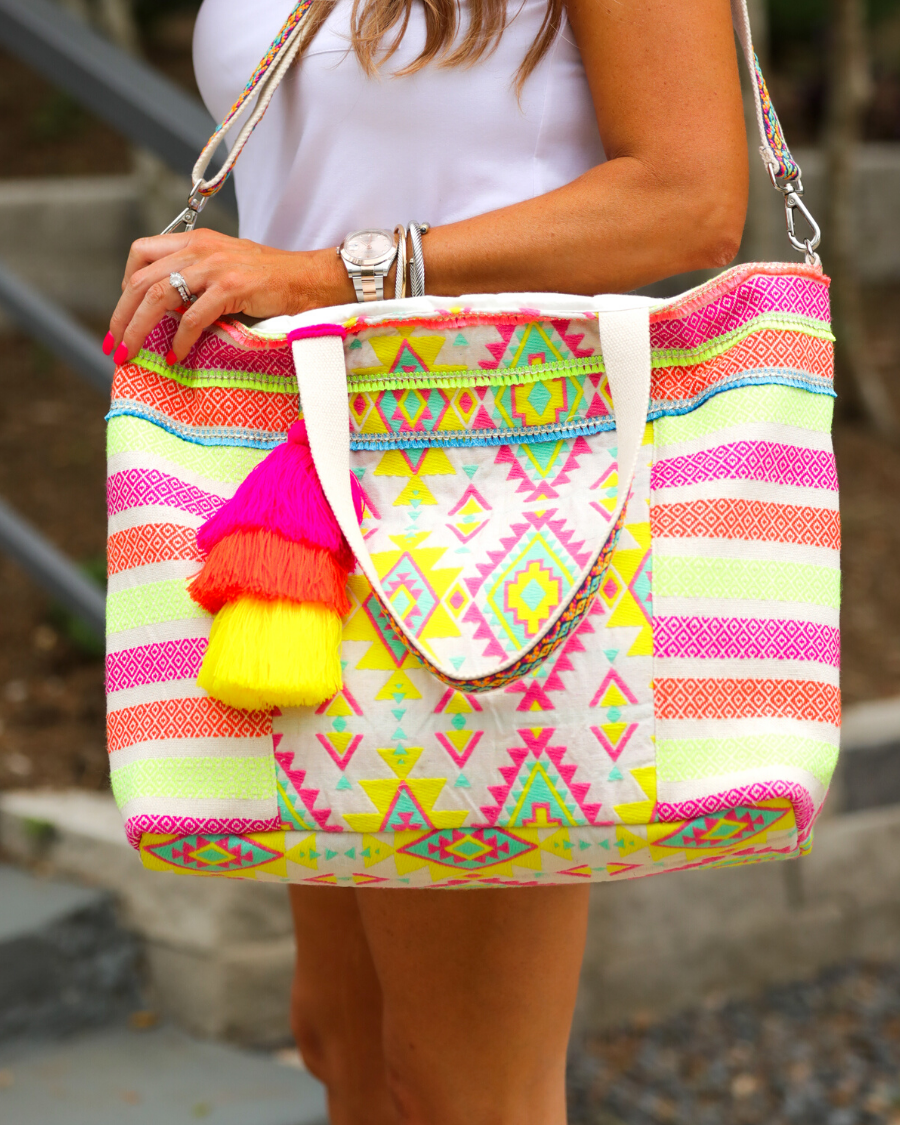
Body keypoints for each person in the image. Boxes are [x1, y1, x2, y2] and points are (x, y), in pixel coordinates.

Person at [104, 1, 748, 1122]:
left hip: (497, 503)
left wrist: (328, 275)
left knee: (462, 1089)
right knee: (340, 1039)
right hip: (305, 484)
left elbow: (687, 201)